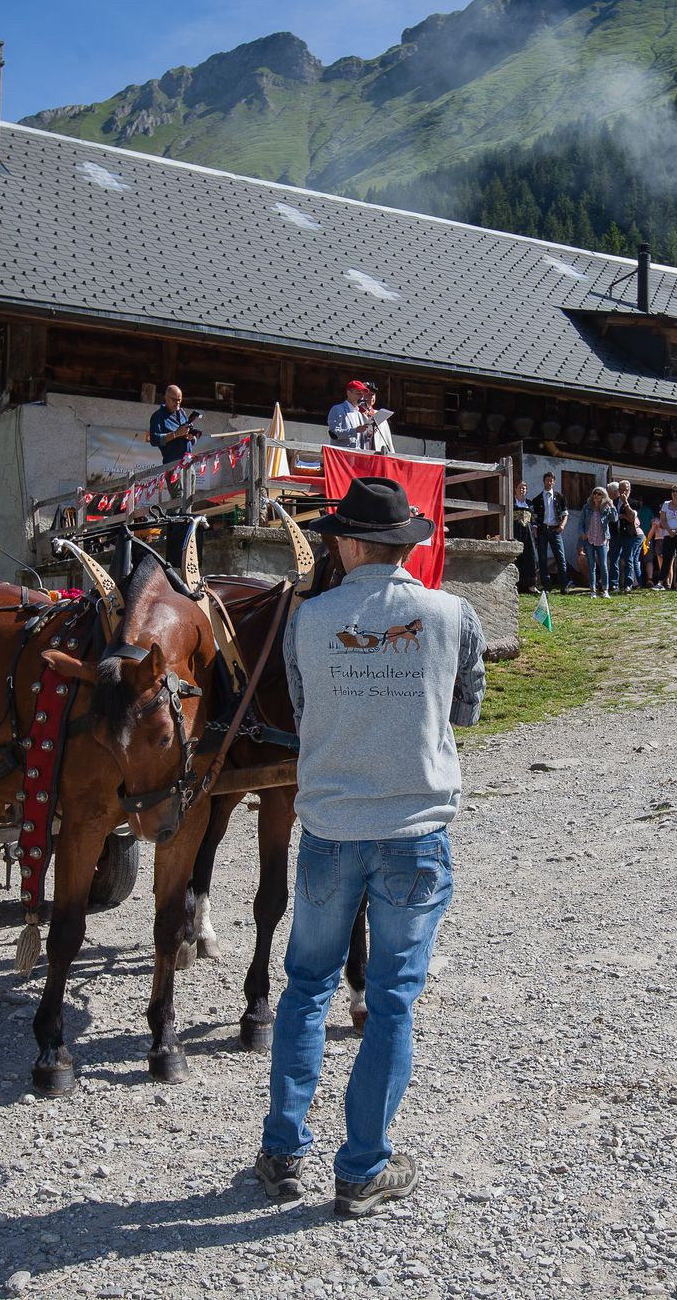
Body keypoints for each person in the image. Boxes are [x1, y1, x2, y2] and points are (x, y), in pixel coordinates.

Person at [256, 476, 485, 1215]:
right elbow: (468, 709)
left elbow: (300, 706)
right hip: (415, 835)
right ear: (406, 543)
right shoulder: (453, 613)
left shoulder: (307, 619)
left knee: (306, 986)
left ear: (351, 544)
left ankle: (284, 1151)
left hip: (330, 830)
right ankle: (361, 1166)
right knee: (390, 1002)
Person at [528, 472, 569, 593]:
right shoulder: (537, 499)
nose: (549, 482)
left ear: (554, 482)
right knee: (542, 559)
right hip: (542, 530)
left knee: (560, 557)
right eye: (547, 480)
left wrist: (562, 525)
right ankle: (546, 587)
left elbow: (565, 514)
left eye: (551, 480)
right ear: (544, 481)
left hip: (555, 530)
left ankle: (564, 586)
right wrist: (535, 532)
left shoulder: (560, 497)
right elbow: (534, 518)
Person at [148, 384, 199, 465]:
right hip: (172, 465)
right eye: (174, 400)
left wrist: (191, 437)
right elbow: (154, 440)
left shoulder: (182, 413)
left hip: (188, 463)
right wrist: (176, 434)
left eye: (179, 400)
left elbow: (191, 441)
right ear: (166, 398)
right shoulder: (158, 416)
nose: (177, 403)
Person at [577, 486, 614, 598]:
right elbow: (580, 523)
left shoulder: (606, 508)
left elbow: (614, 519)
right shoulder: (587, 508)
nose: (596, 496)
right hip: (589, 540)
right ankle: (593, 590)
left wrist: (611, 505)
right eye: (595, 493)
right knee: (591, 565)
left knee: (603, 565)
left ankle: (605, 589)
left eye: (599, 494)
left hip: (602, 540)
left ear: (603, 496)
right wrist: (582, 533)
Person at [326, 380, 378, 450]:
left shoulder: (359, 413)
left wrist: (369, 433)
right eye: (358, 394)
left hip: (356, 455)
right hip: (341, 456)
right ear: (348, 393)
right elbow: (334, 434)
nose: (361, 397)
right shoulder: (338, 409)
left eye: (363, 395)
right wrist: (355, 430)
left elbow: (359, 438)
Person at [609, 491, 643, 596]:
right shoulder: (612, 502)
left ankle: (628, 584)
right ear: (619, 490)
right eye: (622, 489)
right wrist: (621, 516)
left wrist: (626, 504)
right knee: (614, 559)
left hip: (628, 535)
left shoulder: (635, 503)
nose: (624, 492)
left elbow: (632, 517)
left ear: (629, 490)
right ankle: (614, 584)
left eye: (626, 489)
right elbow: (610, 517)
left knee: (628, 559)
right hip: (615, 534)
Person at [511, 480, 536, 594]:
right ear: (515, 489)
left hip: (528, 532)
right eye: (520, 487)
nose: (522, 490)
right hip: (516, 531)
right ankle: (515, 584)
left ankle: (530, 585)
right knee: (516, 556)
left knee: (529, 556)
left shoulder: (530, 503)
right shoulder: (511, 502)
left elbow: (534, 519)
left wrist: (534, 532)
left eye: (524, 488)